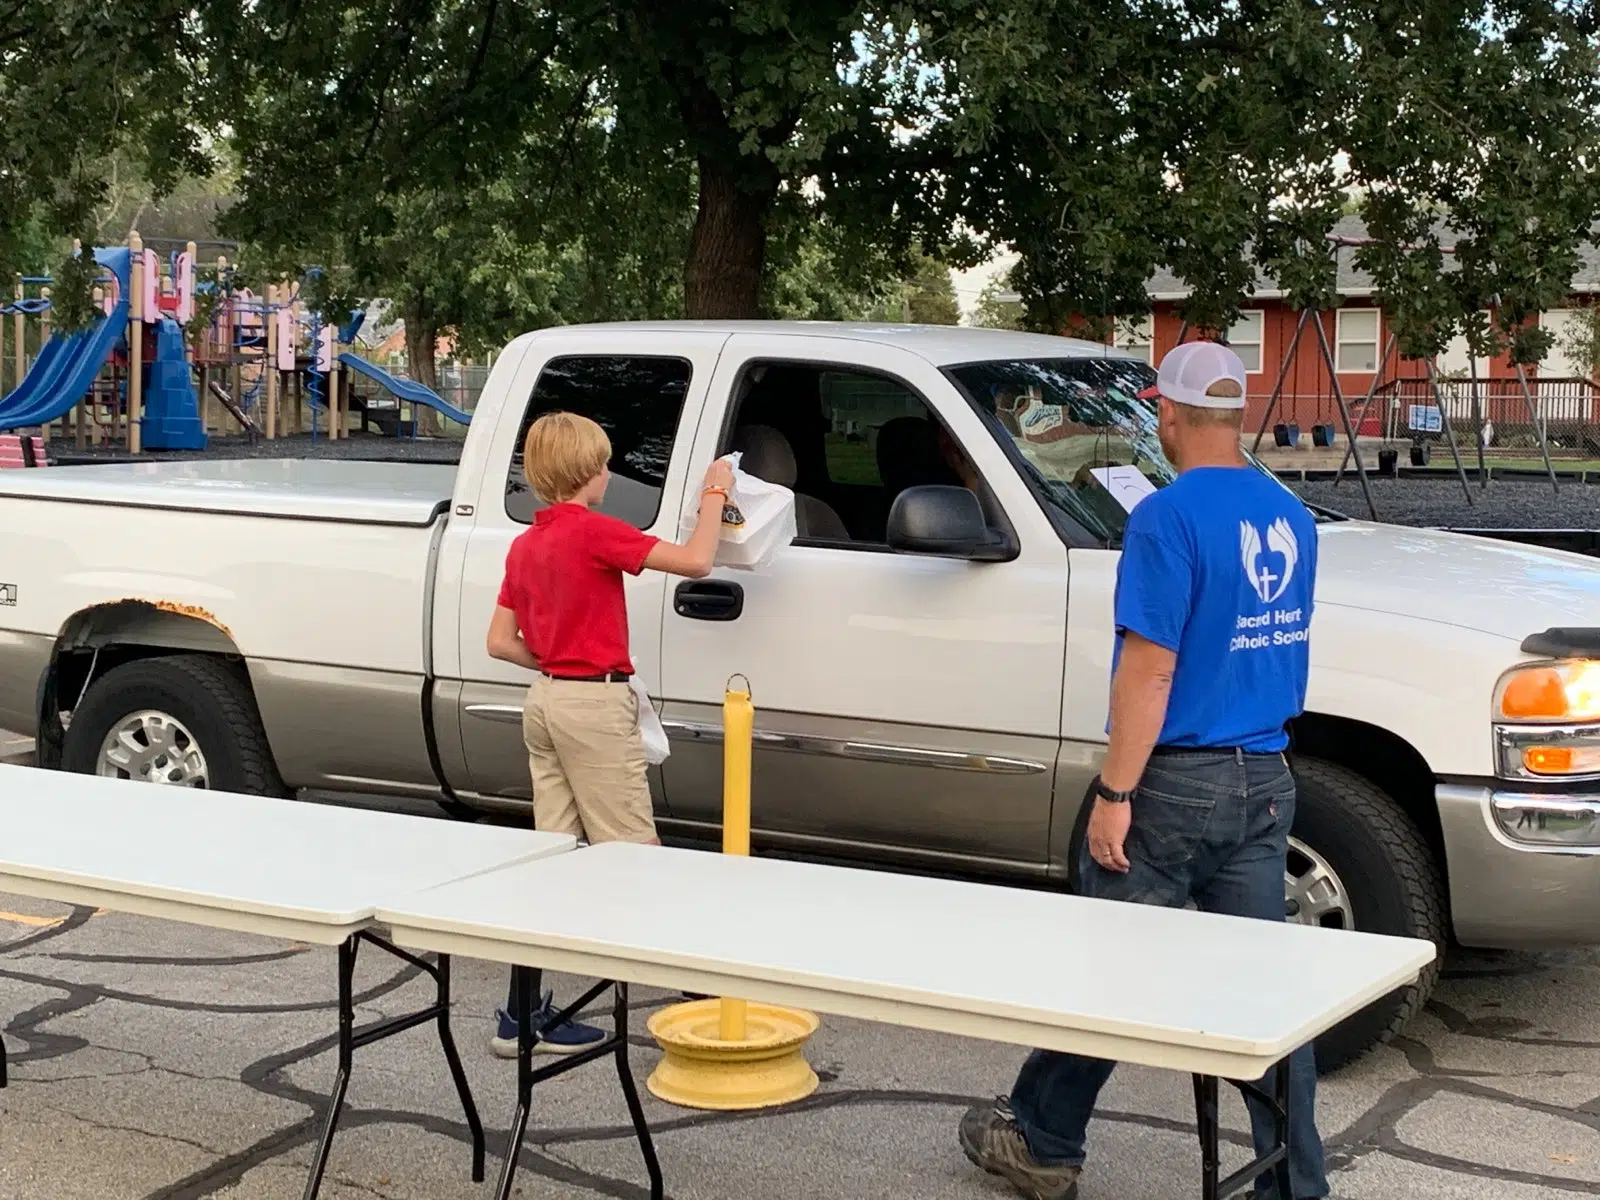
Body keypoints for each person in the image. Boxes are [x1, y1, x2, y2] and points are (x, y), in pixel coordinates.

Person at [957, 341, 1326, 1200]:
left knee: (1111, 971)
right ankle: (1294, 1186)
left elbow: (1150, 670)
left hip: (1176, 783)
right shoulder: (1290, 514)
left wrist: (1117, 793)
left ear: (1166, 414)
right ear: (1235, 414)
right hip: (1265, 779)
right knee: (1265, 1000)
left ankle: (1043, 1143)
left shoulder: (1167, 517)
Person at [486, 410, 733, 1055]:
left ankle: (521, 1014)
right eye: (603, 463)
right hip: (594, 705)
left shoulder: (525, 544)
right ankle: (691, 986)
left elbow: (498, 642)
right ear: (587, 474)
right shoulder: (594, 532)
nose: (608, 472)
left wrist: (553, 662)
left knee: (551, 855)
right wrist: (714, 494)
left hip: (544, 703)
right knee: (632, 846)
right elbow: (698, 561)